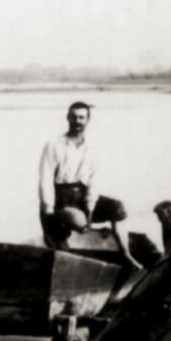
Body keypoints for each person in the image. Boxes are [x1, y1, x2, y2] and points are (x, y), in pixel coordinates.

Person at [37, 101, 136, 267]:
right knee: (62, 249)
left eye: (81, 117)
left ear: (88, 120)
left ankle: (125, 254)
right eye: (74, 117)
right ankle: (68, 243)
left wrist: (90, 208)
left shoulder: (92, 148)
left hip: (82, 196)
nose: (77, 121)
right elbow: (45, 178)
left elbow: (94, 181)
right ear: (68, 118)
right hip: (60, 198)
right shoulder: (54, 145)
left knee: (117, 207)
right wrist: (48, 210)